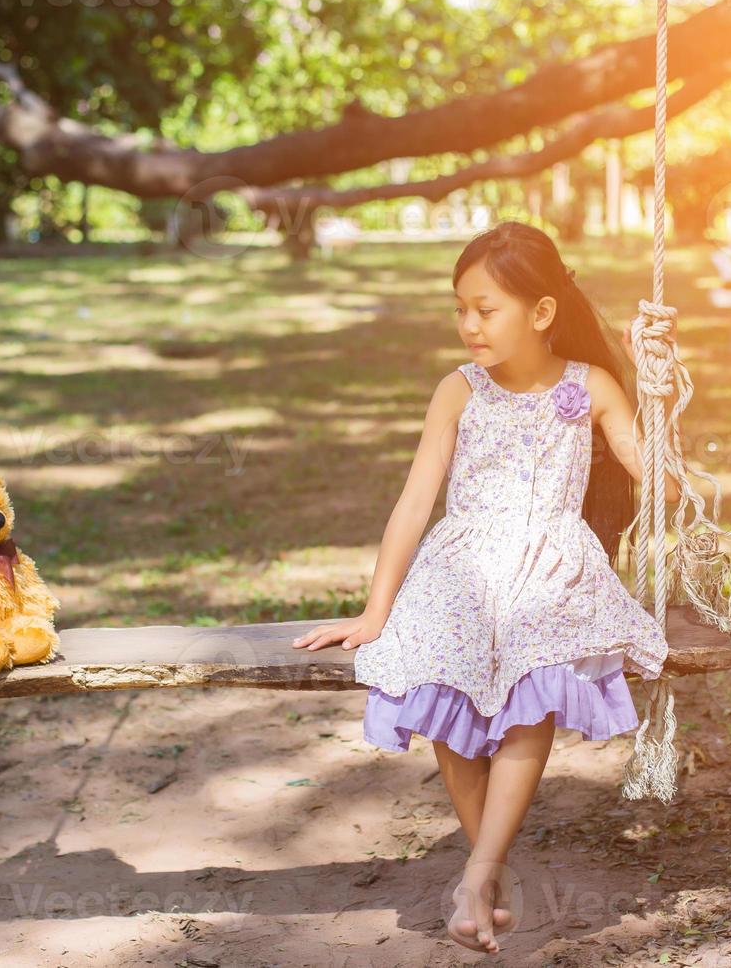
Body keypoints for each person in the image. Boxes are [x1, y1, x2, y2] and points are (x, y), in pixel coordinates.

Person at [291, 220, 680, 954]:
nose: (469, 325)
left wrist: (650, 386)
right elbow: (414, 503)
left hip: (551, 564)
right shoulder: (458, 390)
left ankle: (479, 873)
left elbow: (661, 482)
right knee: (437, 662)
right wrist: (378, 612)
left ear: (540, 312)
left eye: (485, 308)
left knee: (533, 669)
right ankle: (487, 867)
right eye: (459, 307)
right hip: (462, 561)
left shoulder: (588, 387)